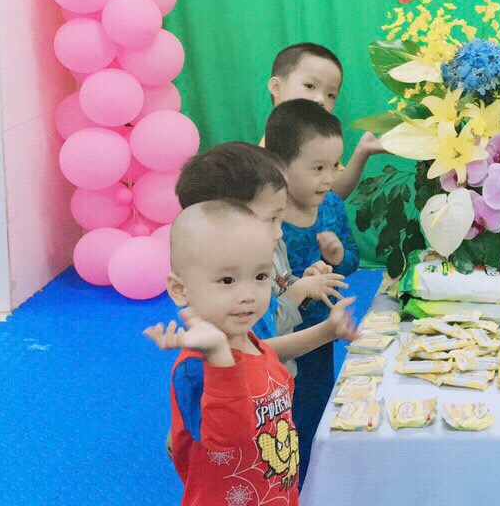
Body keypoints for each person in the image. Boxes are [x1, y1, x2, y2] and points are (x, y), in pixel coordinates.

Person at [145, 201, 358, 506]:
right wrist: (219, 358)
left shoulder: (254, 343)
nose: (248, 295)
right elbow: (228, 439)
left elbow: (276, 394)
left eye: (260, 276)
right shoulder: (197, 367)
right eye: (227, 280)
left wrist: (328, 330)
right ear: (180, 290)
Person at [175, 141, 349, 373]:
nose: (280, 232)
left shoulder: (272, 247)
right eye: (272, 219)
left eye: (281, 219)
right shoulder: (215, 287)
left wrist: (304, 284)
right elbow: (253, 351)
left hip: (275, 381)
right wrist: (324, 330)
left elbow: (281, 285)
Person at [264, 98, 359, 484]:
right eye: (317, 168)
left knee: (317, 405)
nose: (328, 178)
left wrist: (338, 256)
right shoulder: (266, 221)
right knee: (277, 416)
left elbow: (351, 260)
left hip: (321, 333)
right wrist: (302, 285)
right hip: (275, 338)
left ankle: (311, 479)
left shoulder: (331, 206)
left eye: (335, 166)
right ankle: (285, 480)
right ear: (280, 167)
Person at [266, 42, 385, 200]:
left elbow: (332, 192)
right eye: (310, 86)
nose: (320, 99)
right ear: (276, 87)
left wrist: (363, 151)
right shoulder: (265, 153)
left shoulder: (321, 144)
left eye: (331, 95)